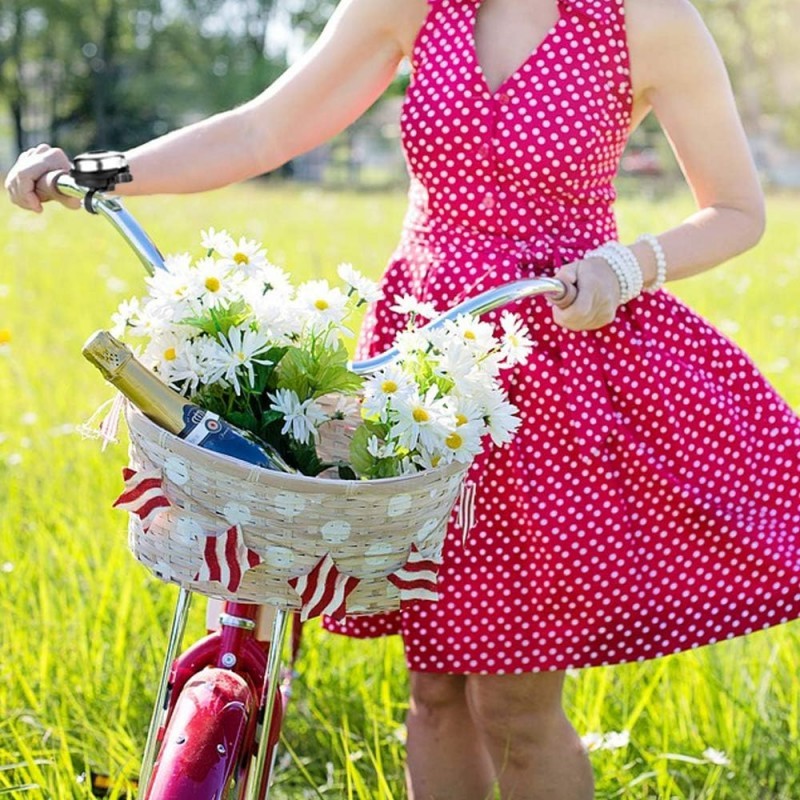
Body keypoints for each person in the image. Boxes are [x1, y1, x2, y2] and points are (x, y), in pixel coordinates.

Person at [7, 1, 799, 798]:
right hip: (423, 373)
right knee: (435, 690)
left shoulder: (643, 20)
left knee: (516, 701)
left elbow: (737, 210)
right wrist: (104, 171)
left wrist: (627, 267)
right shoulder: (415, 4)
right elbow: (264, 130)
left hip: (555, 370)